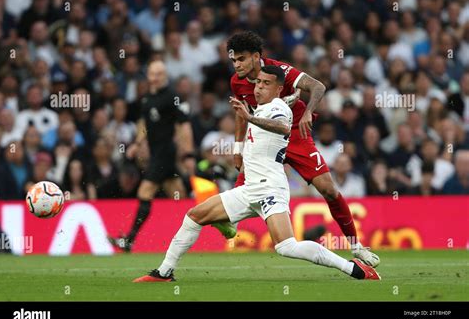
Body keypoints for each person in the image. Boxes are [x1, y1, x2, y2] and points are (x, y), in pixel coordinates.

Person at [133, 66, 380, 282]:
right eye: (258, 82)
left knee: (286, 247)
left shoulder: (278, 109)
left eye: (265, 84)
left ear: (278, 88)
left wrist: (249, 116)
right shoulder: (261, 108)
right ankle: (164, 272)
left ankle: (354, 269)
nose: (259, 87)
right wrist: (240, 143)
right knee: (194, 215)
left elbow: (284, 127)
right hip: (249, 188)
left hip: (270, 188)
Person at [219, 31, 380, 267]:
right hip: (264, 136)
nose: (236, 65)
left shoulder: (280, 71)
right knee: (242, 187)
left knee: (329, 190)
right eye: (233, 60)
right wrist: (237, 148)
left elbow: (318, 87)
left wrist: (306, 113)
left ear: (256, 57)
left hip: (295, 134)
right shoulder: (237, 82)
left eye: (241, 59)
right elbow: (242, 115)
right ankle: (227, 221)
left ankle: (356, 246)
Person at [107, 60, 196, 252]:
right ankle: (214, 222)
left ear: (165, 76)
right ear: (148, 75)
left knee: (144, 192)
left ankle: (129, 241)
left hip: (165, 154)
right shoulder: (147, 98)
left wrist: (188, 154)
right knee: (179, 194)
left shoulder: (172, 97)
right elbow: (144, 125)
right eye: (152, 74)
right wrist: (136, 144)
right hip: (156, 153)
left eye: (158, 74)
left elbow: (184, 125)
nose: (154, 78)